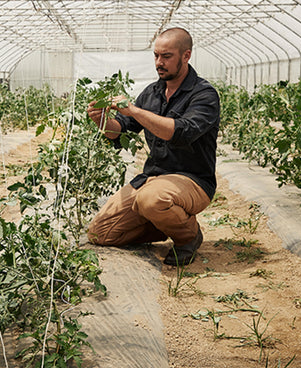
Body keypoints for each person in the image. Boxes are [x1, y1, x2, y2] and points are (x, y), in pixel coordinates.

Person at [86, 27, 220, 266]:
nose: (159, 62)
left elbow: (181, 132)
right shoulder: (151, 93)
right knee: (100, 233)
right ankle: (163, 221)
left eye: (166, 56)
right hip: (152, 179)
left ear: (186, 56)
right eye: (156, 56)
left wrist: (134, 110)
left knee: (151, 199)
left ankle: (188, 236)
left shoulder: (204, 94)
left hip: (192, 180)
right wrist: (102, 120)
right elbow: (122, 130)